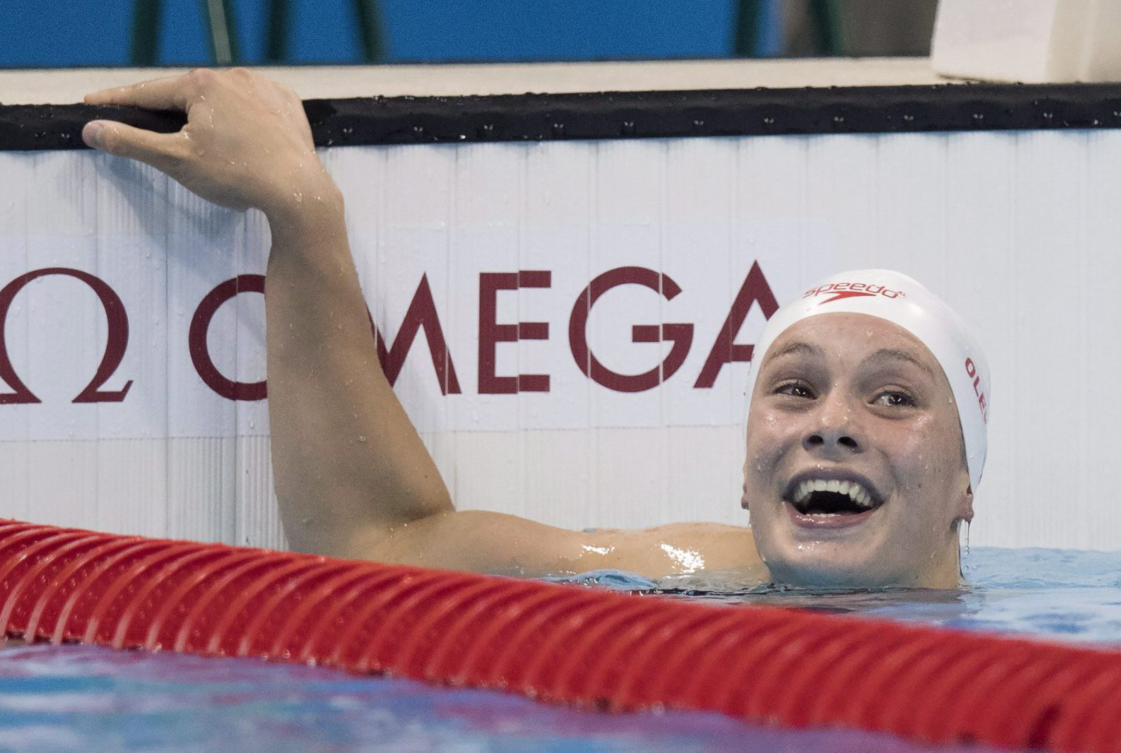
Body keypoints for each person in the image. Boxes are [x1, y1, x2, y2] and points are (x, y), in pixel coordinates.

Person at [80, 68, 989, 590]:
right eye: (793, 386)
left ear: (965, 486)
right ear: (744, 480)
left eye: (892, 396)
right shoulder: (679, 580)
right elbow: (378, 549)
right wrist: (300, 208)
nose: (830, 421)